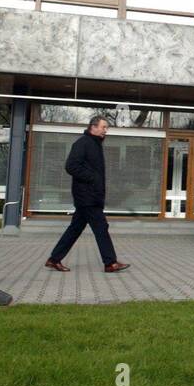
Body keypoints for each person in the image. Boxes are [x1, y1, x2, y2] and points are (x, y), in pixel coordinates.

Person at [45, 115, 130, 273]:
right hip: (87, 196)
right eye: (104, 127)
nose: (106, 131)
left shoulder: (95, 144)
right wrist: (92, 177)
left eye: (106, 128)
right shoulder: (83, 143)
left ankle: (54, 259)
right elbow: (71, 166)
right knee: (101, 227)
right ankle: (110, 263)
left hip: (91, 196)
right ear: (93, 127)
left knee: (75, 228)